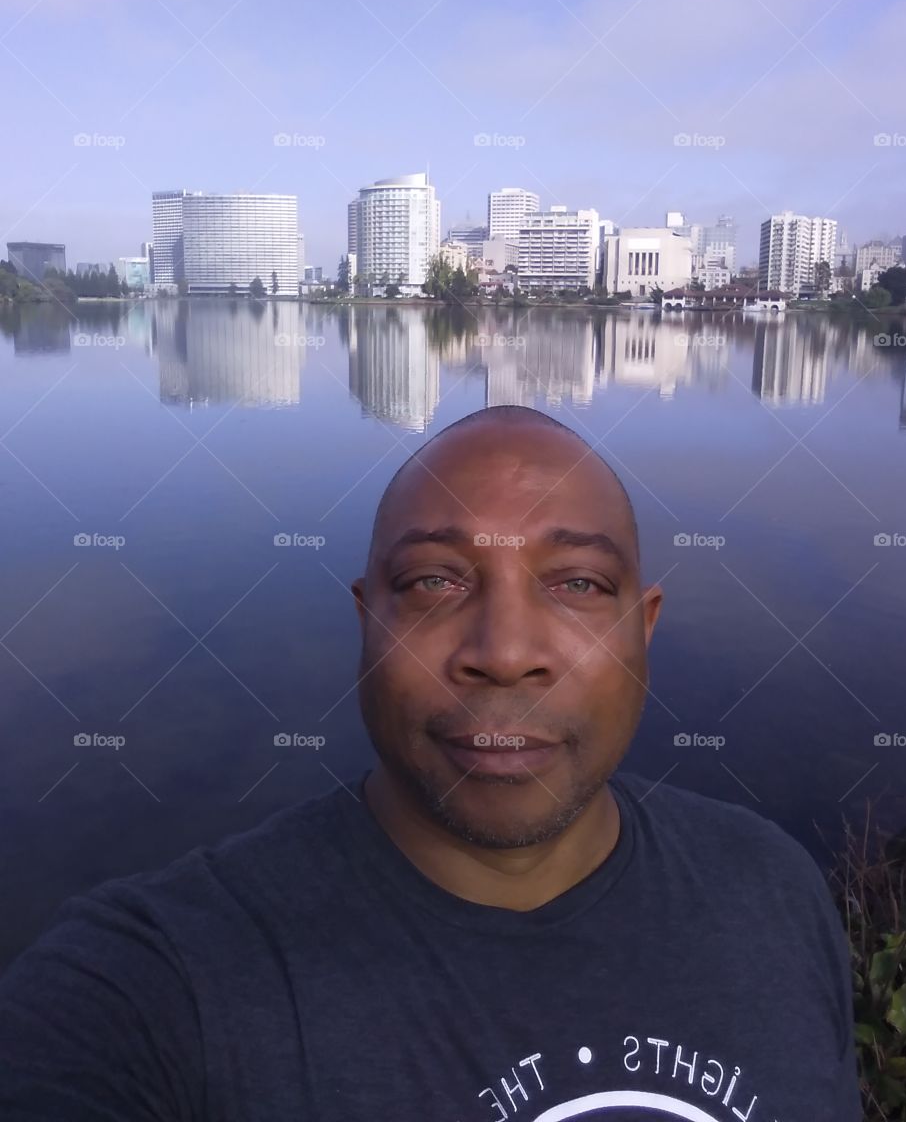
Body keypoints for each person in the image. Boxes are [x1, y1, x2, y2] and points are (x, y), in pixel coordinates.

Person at [0, 405, 862, 1120]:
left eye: (576, 584)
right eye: (434, 583)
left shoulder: (772, 891)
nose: (506, 651)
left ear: (646, 626)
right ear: (364, 620)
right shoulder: (165, 982)